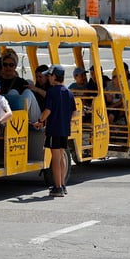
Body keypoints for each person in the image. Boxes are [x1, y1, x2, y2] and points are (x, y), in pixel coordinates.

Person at [33, 65, 75, 197]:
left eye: (49, 75)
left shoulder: (52, 92)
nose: (48, 78)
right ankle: (62, 184)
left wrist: (40, 121)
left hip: (54, 130)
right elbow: (74, 113)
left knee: (55, 159)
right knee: (61, 157)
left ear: (54, 77)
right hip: (64, 130)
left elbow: (47, 111)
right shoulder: (68, 92)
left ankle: (57, 187)